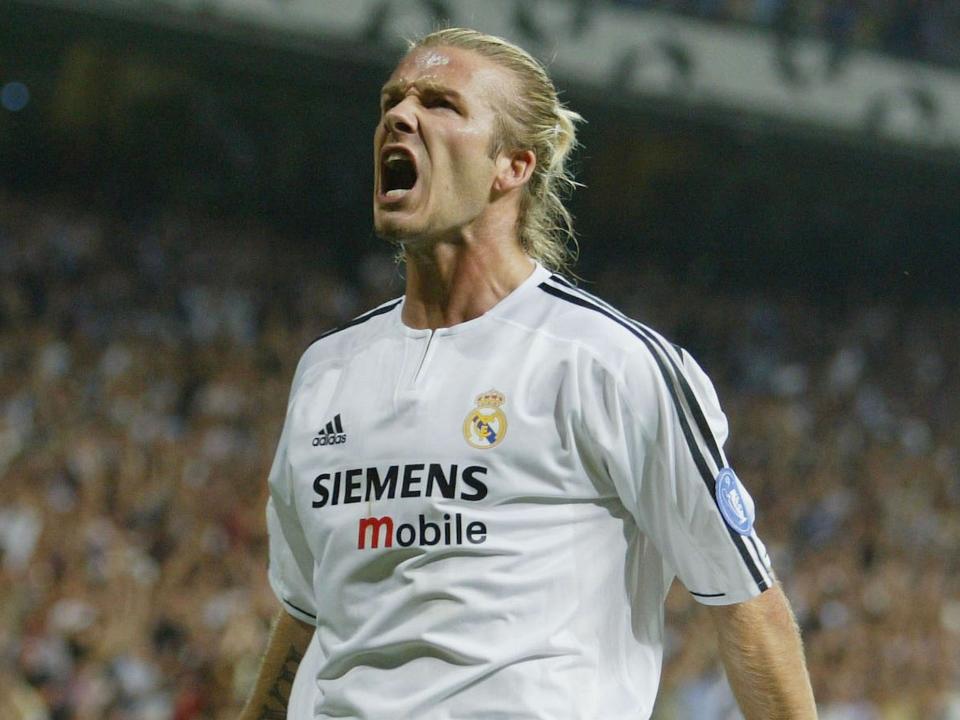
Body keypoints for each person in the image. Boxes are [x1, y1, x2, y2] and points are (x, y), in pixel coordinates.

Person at [240, 27, 817, 720]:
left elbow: (747, 603)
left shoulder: (607, 362)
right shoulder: (326, 372)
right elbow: (304, 616)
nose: (398, 115)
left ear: (511, 166)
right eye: (393, 100)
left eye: (442, 104)